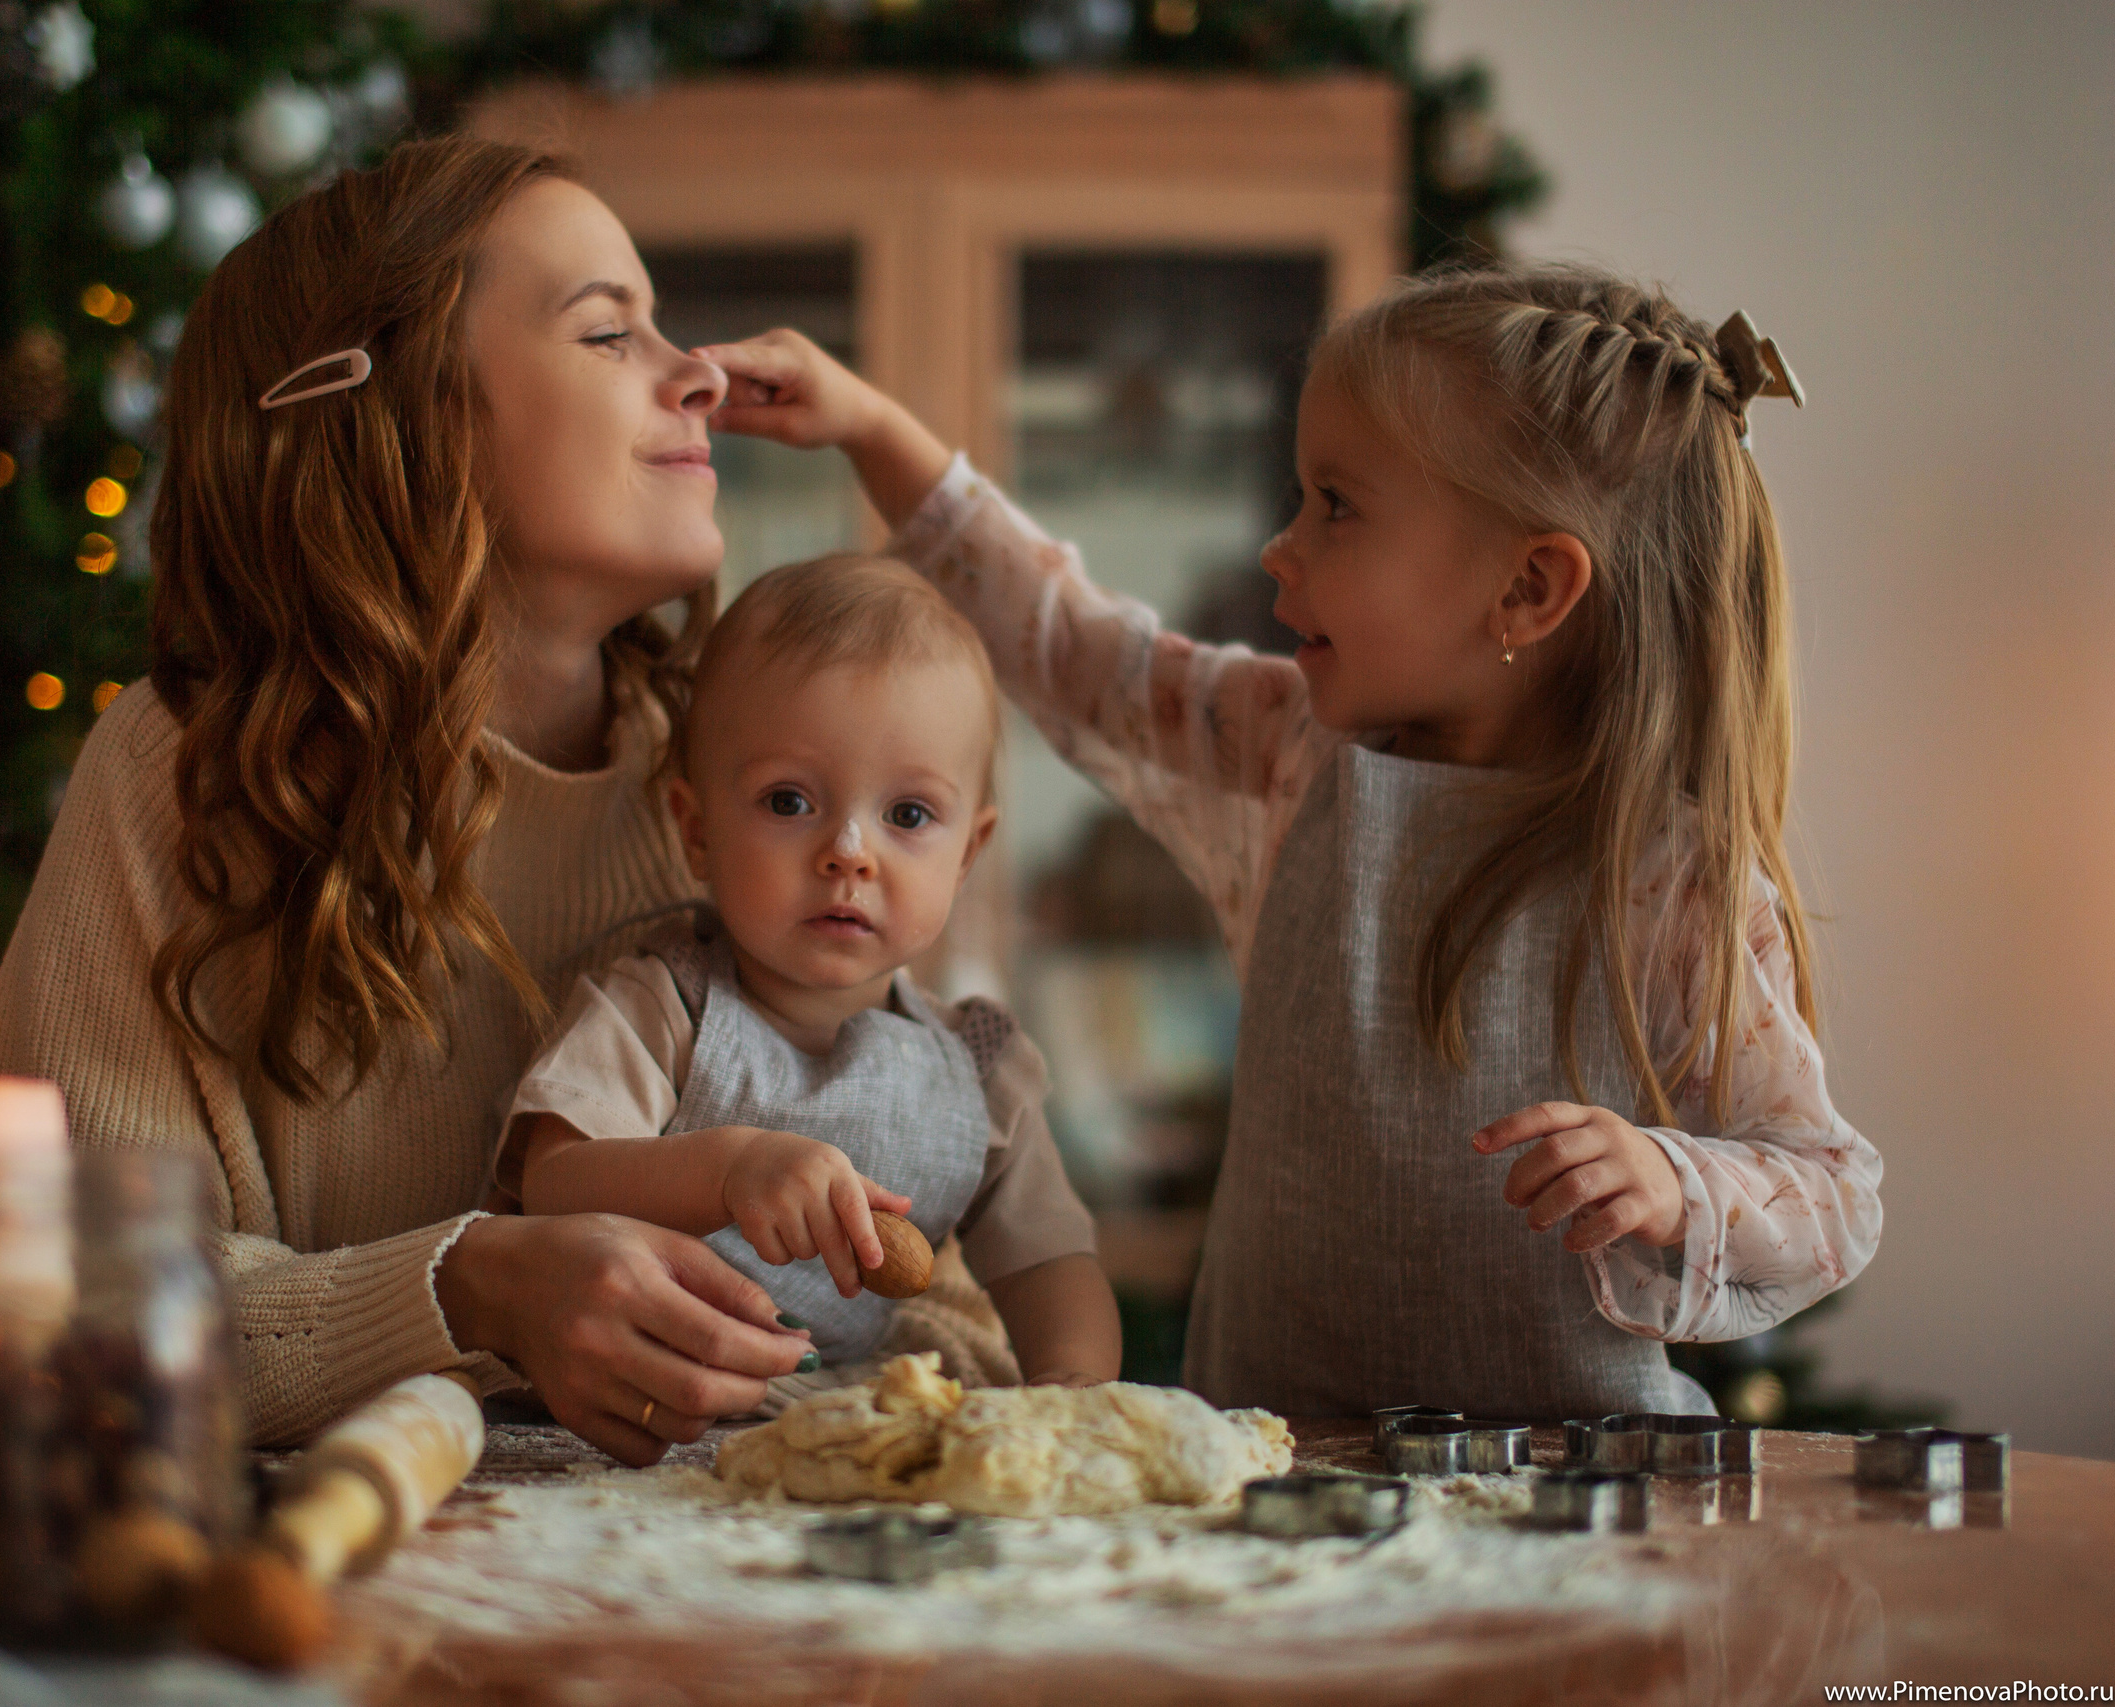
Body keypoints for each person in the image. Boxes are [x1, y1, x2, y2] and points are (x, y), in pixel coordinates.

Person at [0, 137, 1011, 1462]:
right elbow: (58, 1301)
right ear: (405, 415)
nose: (696, 369)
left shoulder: (749, 790)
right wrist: (464, 1287)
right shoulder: (189, 776)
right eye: (606, 333)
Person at [694, 263, 1883, 1420]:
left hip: (1576, 1512)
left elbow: (1832, 1196)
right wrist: (871, 431)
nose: (1281, 546)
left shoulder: (1672, 883)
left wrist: (1676, 1180)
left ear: (1526, 590)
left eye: (1336, 504)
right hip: (1277, 1479)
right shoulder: (1286, 756)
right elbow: (1073, 645)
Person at [492, 554, 1122, 1403]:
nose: (848, 852)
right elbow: (553, 1181)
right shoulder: (662, 1003)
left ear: (968, 852)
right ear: (697, 829)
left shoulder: (978, 1068)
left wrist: (1073, 1382)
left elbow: (1051, 1260)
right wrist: (726, 1169)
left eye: (907, 815)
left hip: (850, 1425)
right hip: (652, 1414)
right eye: (789, 801)